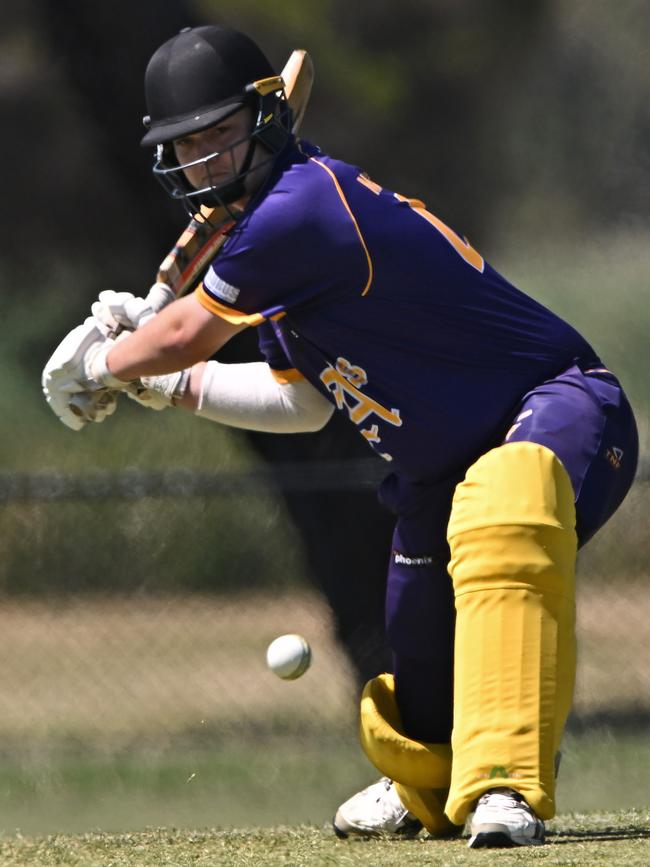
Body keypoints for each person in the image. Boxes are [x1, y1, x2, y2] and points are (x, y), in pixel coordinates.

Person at [42, 25, 639, 848]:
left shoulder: (305, 205)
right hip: (443, 466)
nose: (207, 162)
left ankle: (506, 785)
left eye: (220, 134)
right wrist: (164, 385)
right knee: (419, 623)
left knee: (506, 508)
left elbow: (184, 331)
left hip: (559, 405)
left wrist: (103, 360)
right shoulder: (277, 259)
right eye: (188, 147)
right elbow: (301, 403)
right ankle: (426, 779)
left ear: (267, 116)